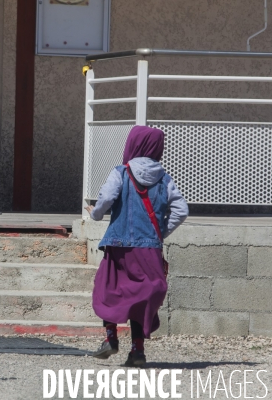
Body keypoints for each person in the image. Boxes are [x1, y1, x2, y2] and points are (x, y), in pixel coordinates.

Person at [85, 126, 188, 367]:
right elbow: (182, 210)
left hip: (119, 245)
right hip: (149, 249)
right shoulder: (164, 178)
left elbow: (107, 198)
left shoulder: (121, 172)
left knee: (109, 289)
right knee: (141, 298)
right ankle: (137, 351)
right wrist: (160, 232)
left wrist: (96, 214)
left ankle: (111, 338)